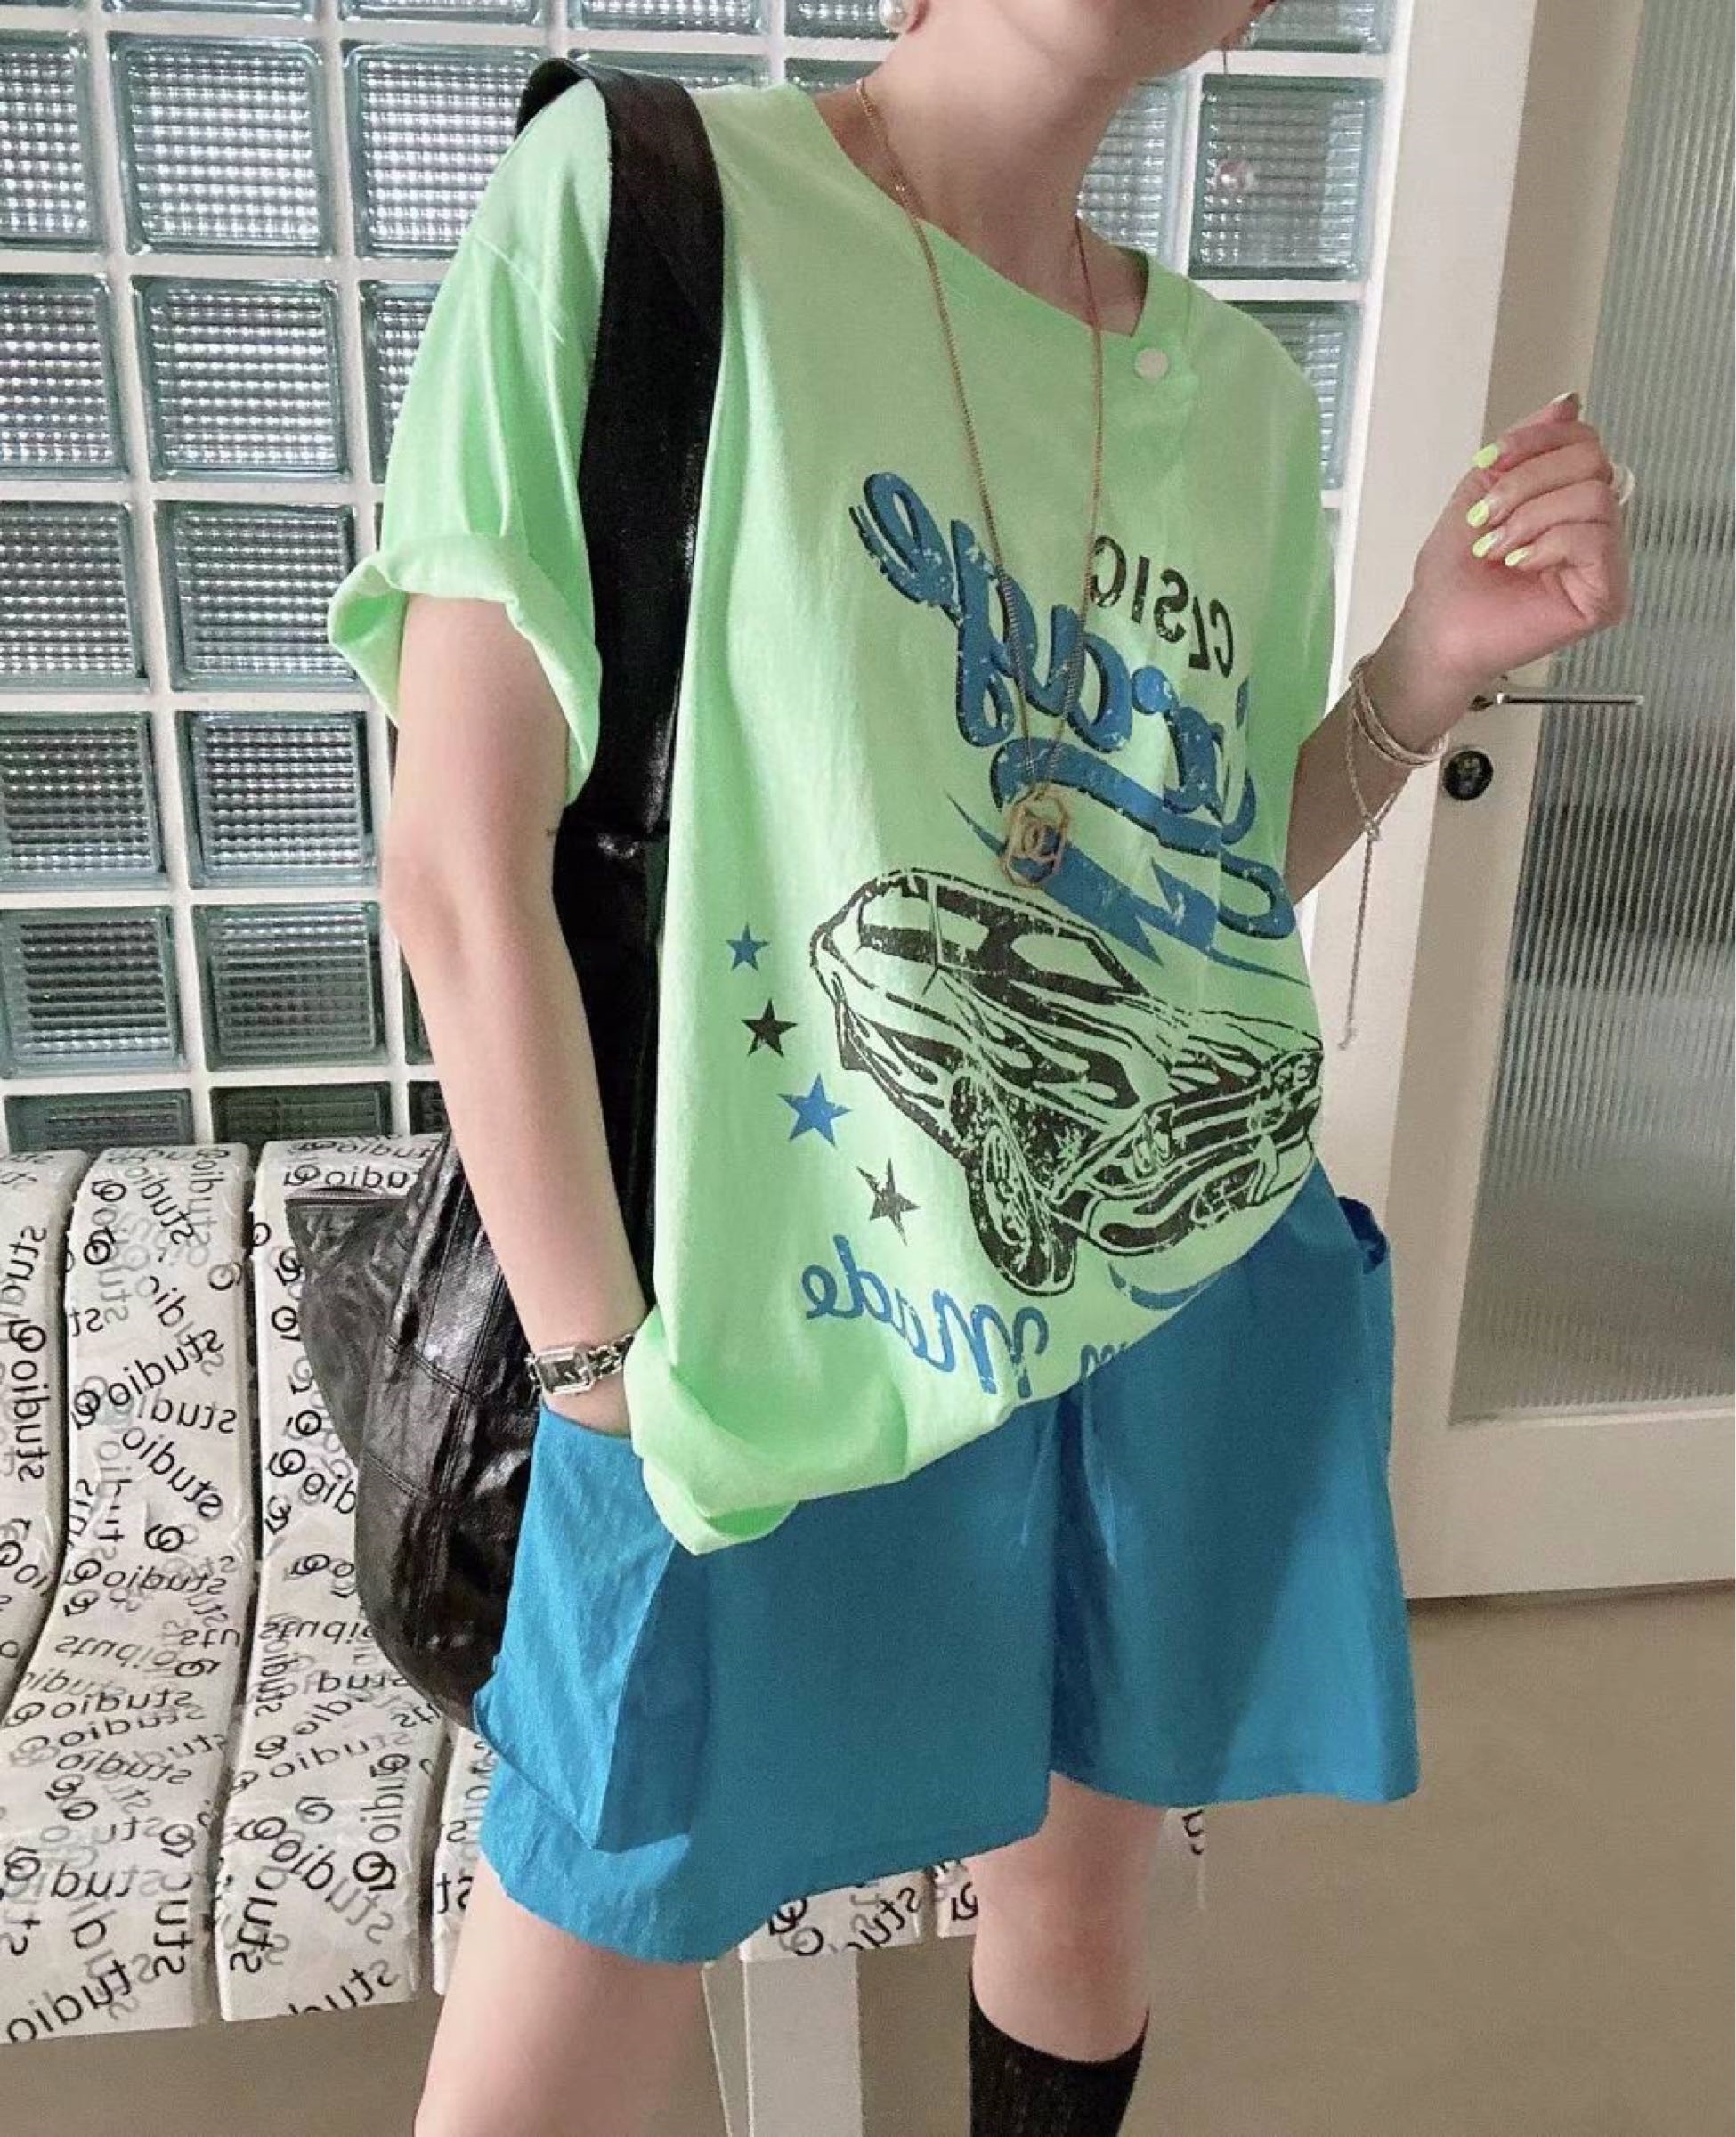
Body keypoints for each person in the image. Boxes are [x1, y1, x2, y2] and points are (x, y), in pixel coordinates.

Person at [328, 2, 1631, 2129]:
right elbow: (457, 868)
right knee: (582, 1960)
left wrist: (1415, 674)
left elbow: (1195, 906)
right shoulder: (642, 202)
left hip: (1164, 1294)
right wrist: (601, 1377)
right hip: (741, 1317)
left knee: (1079, 1901)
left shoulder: (1235, 398)